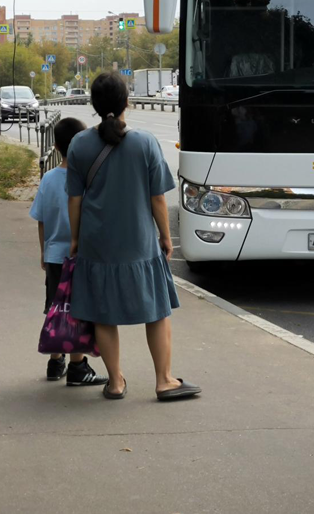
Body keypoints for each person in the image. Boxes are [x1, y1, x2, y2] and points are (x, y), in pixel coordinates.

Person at [67, 73, 201, 401]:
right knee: (156, 312)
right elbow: (158, 198)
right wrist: (166, 237)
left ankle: (114, 383)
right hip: (139, 242)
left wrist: (75, 239)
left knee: (102, 312)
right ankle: (164, 380)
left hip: (97, 242)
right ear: (127, 102)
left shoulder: (79, 144)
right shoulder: (145, 142)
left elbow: (74, 199)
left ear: (94, 105)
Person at [29, 118, 108, 386]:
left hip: (53, 255)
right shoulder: (85, 181)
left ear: (57, 146)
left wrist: (43, 251)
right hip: (79, 256)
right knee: (76, 310)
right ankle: (77, 366)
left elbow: (41, 219)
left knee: (55, 307)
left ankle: (55, 361)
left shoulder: (48, 179)